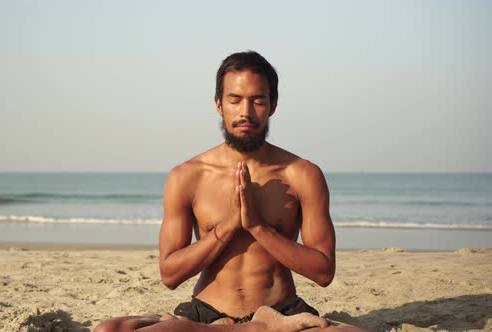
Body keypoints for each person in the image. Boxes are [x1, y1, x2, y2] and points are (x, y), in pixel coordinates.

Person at [95, 51, 365, 332]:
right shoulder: (188, 176)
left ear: (272, 105)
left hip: (283, 308)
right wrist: (228, 226)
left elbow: (323, 272)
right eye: (234, 100)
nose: (245, 112)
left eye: (257, 101)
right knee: (106, 330)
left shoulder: (302, 174)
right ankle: (256, 328)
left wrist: (258, 227)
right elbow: (170, 275)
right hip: (206, 312)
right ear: (219, 104)